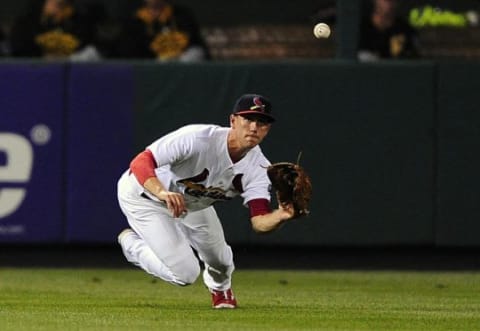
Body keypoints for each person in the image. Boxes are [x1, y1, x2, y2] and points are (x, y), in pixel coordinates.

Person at [117, 94, 295, 308]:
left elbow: (259, 222)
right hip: (146, 197)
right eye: (248, 119)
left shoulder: (259, 169)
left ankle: (220, 291)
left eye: (262, 122)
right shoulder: (198, 139)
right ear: (233, 121)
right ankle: (133, 247)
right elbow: (141, 162)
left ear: (268, 129)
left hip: (192, 203)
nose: (254, 127)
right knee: (185, 274)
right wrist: (162, 192)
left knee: (220, 259)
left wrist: (282, 215)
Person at [118, 0, 210, 62]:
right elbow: (130, 52)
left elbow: (195, 42)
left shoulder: (182, 15)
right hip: (151, 66)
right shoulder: (134, 20)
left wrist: (175, 54)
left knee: (195, 52)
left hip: (182, 61)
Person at [9, 0, 101, 61]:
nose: (62, 10)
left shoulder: (80, 22)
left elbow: (92, 50)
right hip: (35, 73)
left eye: (65, 5)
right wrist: (43, 58)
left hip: (72, 72)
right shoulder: (26, 23)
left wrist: (69, 58)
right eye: (58, 5)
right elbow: (18, 52)